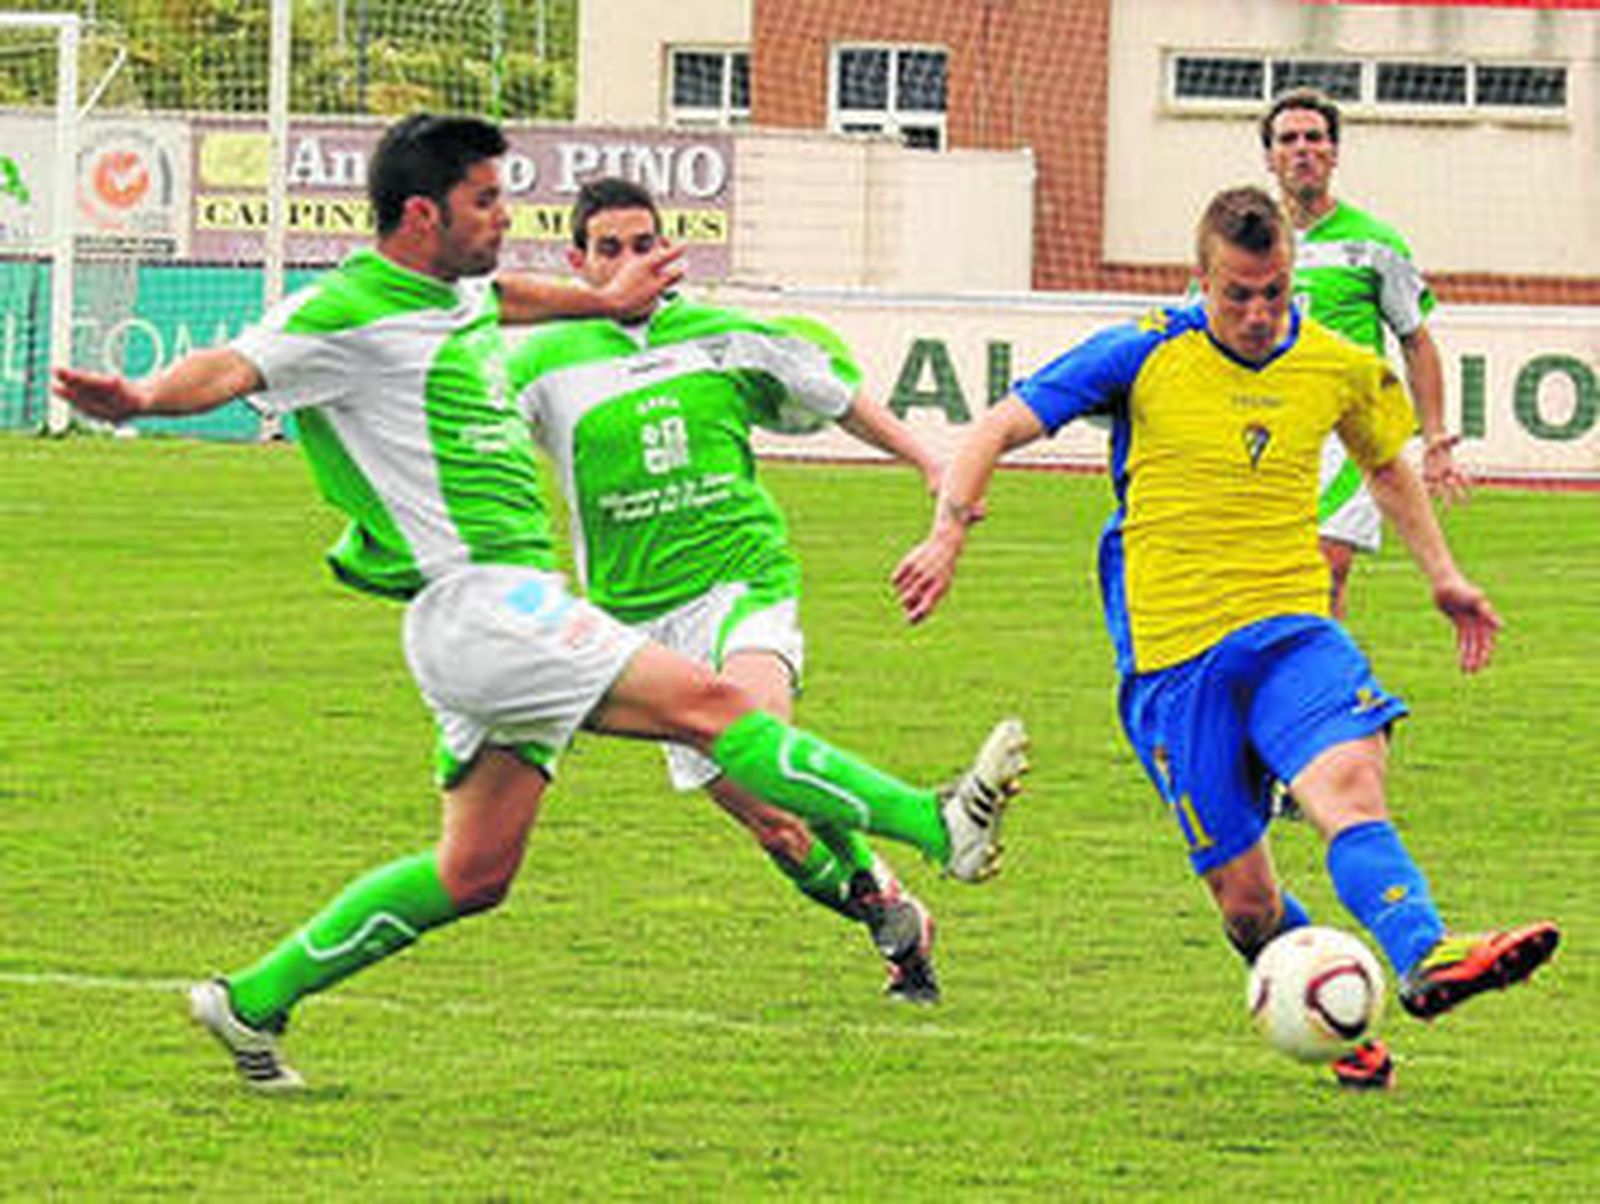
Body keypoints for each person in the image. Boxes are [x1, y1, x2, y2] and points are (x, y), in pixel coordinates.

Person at [53, 114, 1029, 1093]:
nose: (503, 214)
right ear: (424, 213)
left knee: (472, 873)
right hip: (482, 600)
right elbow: (231, 365)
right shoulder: (343, 309)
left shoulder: (464, 289)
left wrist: (600, 297)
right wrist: (139, 398)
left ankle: (251, 998)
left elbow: (511, 293)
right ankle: (937, 823)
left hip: (490, 615)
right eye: (486, 199)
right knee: (719, 710)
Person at [892, 185, 1558, 1090]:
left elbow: (1383, 463)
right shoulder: (1144, 349)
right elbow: (998, 427)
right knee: (1246, 906)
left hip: (1292, 631)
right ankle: (1340, 1024)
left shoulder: (1333, 363)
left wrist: (1443, 575)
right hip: (1174, 663)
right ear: (1200, 280)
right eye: (1237, 293)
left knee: (1349, 791)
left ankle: (1423, 952)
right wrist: (948, 533)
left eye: (1274, 291)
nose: (1256, 312)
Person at [508, 177, 948, 1003]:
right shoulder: (538, 362)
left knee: (757, 734)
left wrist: (929, 462)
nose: (630, 261)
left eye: (645, 244)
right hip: (635, 622)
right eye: (609, 248)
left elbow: (839, 397)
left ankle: (919, 837)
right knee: (781, 830)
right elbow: (454, 420)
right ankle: (885, 907)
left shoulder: (724, 335)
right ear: (577, 261)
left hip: (741, 582)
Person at [1261, 87, 1470, 620]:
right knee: (1266, 577)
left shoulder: (1375, 243)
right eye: (1288, 139)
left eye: (1315, 138)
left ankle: (1313, 695)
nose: (1302, 149)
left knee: (1324, 566)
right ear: (1270, 157)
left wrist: (1435, 437)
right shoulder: (1249, 240)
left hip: (1345, 432)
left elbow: (1415, 339)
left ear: (1334, 152)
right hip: (1264, 424)